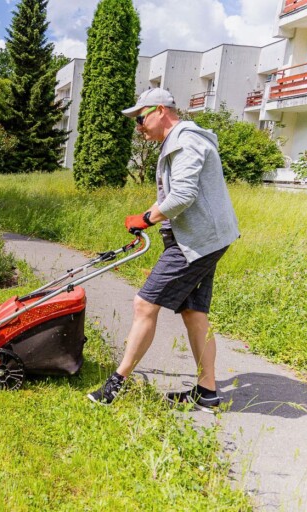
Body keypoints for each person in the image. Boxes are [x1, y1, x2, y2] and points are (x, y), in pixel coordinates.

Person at [87, 88, 239, 413]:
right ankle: (207, 392)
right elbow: (174, 193)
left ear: (160, 110)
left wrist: (147, 219)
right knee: (195, 314)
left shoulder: (185, 140)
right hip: (208, 238)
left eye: (140, 119)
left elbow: (182, 195)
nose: (138, 127)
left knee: (144, 304)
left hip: (196, 242)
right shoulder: (178, 141)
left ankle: (116, 384)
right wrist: (148, 215)